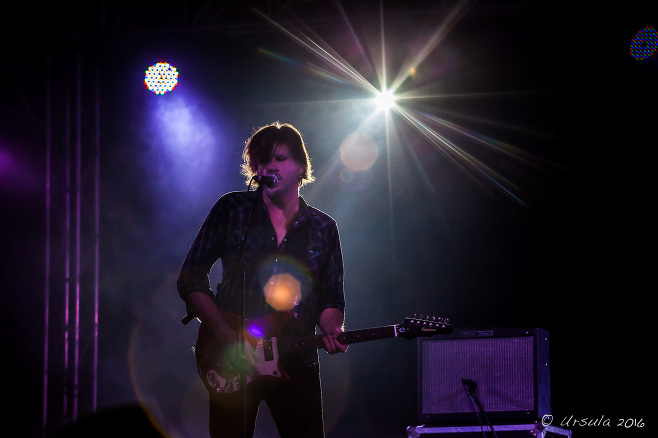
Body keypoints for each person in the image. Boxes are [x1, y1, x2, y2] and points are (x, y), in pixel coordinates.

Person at [176, 122, 347, 438]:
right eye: (261, 160)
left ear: (300, 166)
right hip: (233, 359)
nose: (269, 166)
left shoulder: (323, 228)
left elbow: (331, 298)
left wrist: (332, 328)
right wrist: (224, 332)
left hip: (297, 361)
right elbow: (191, 277)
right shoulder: (233, 209)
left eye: (279, 158)